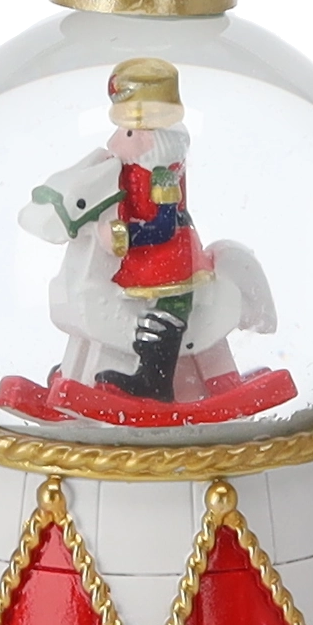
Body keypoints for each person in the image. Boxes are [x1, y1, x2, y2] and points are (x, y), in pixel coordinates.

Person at [95, 58, 214, 402]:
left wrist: (124, 236)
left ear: (150, 138)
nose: (115, 143)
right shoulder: (130, 169)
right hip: (145, 262)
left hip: (171, 258)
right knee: (130, 314)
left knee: (161, 318)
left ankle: (156, 384)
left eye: (128, 133)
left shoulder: (163, 176)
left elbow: (163, 226)